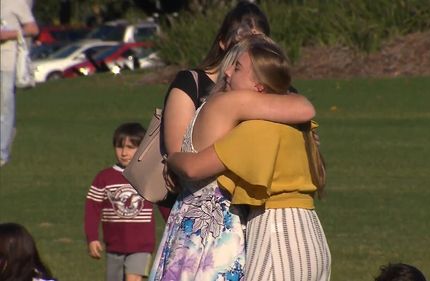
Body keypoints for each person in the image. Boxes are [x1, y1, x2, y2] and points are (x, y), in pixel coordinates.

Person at [167, 35, 331, 280]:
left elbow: (193, 168)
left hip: (278, 233)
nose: (227, 72)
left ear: (259, 87)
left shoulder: (255, 130)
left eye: (237, 67)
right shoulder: (301, 128)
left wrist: (171, 159)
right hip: (311, 234)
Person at [84, 123, 171, 281]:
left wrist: (174, 229)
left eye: (130, 147)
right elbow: (92, 208)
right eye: (119, 147)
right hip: (114, 245)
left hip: (141, 246)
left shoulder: (147, 175)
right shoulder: (104, 178)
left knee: (133, 278)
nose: (124, 153)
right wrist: (92, 238)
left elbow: (164, 205)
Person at [0, 0, 39, 167]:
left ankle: (2, 152)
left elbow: (32, 29)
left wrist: (9, 34)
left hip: (7, 61)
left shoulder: (16, 2)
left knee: (5, 107)